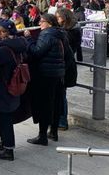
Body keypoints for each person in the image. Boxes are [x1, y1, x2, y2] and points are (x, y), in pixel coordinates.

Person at [0, 20, 27, 161]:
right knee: (1, 118)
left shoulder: (4, 49)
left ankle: (8, 149)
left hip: (3, 88)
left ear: (9, 32)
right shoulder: (19, 44)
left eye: (2, 31)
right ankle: (4, 142)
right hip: (11, 86)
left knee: (4, 119)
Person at [25, 13, 66, 145]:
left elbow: (36, 52)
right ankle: (53, 132)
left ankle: (42, 135)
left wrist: (29, 39)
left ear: (48, 23)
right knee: (55, 103)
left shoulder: (47, 34)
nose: (39, 24)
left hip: (46, 75)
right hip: (57, 74)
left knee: (45, 105)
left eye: (41, 21)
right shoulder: (59, 33)